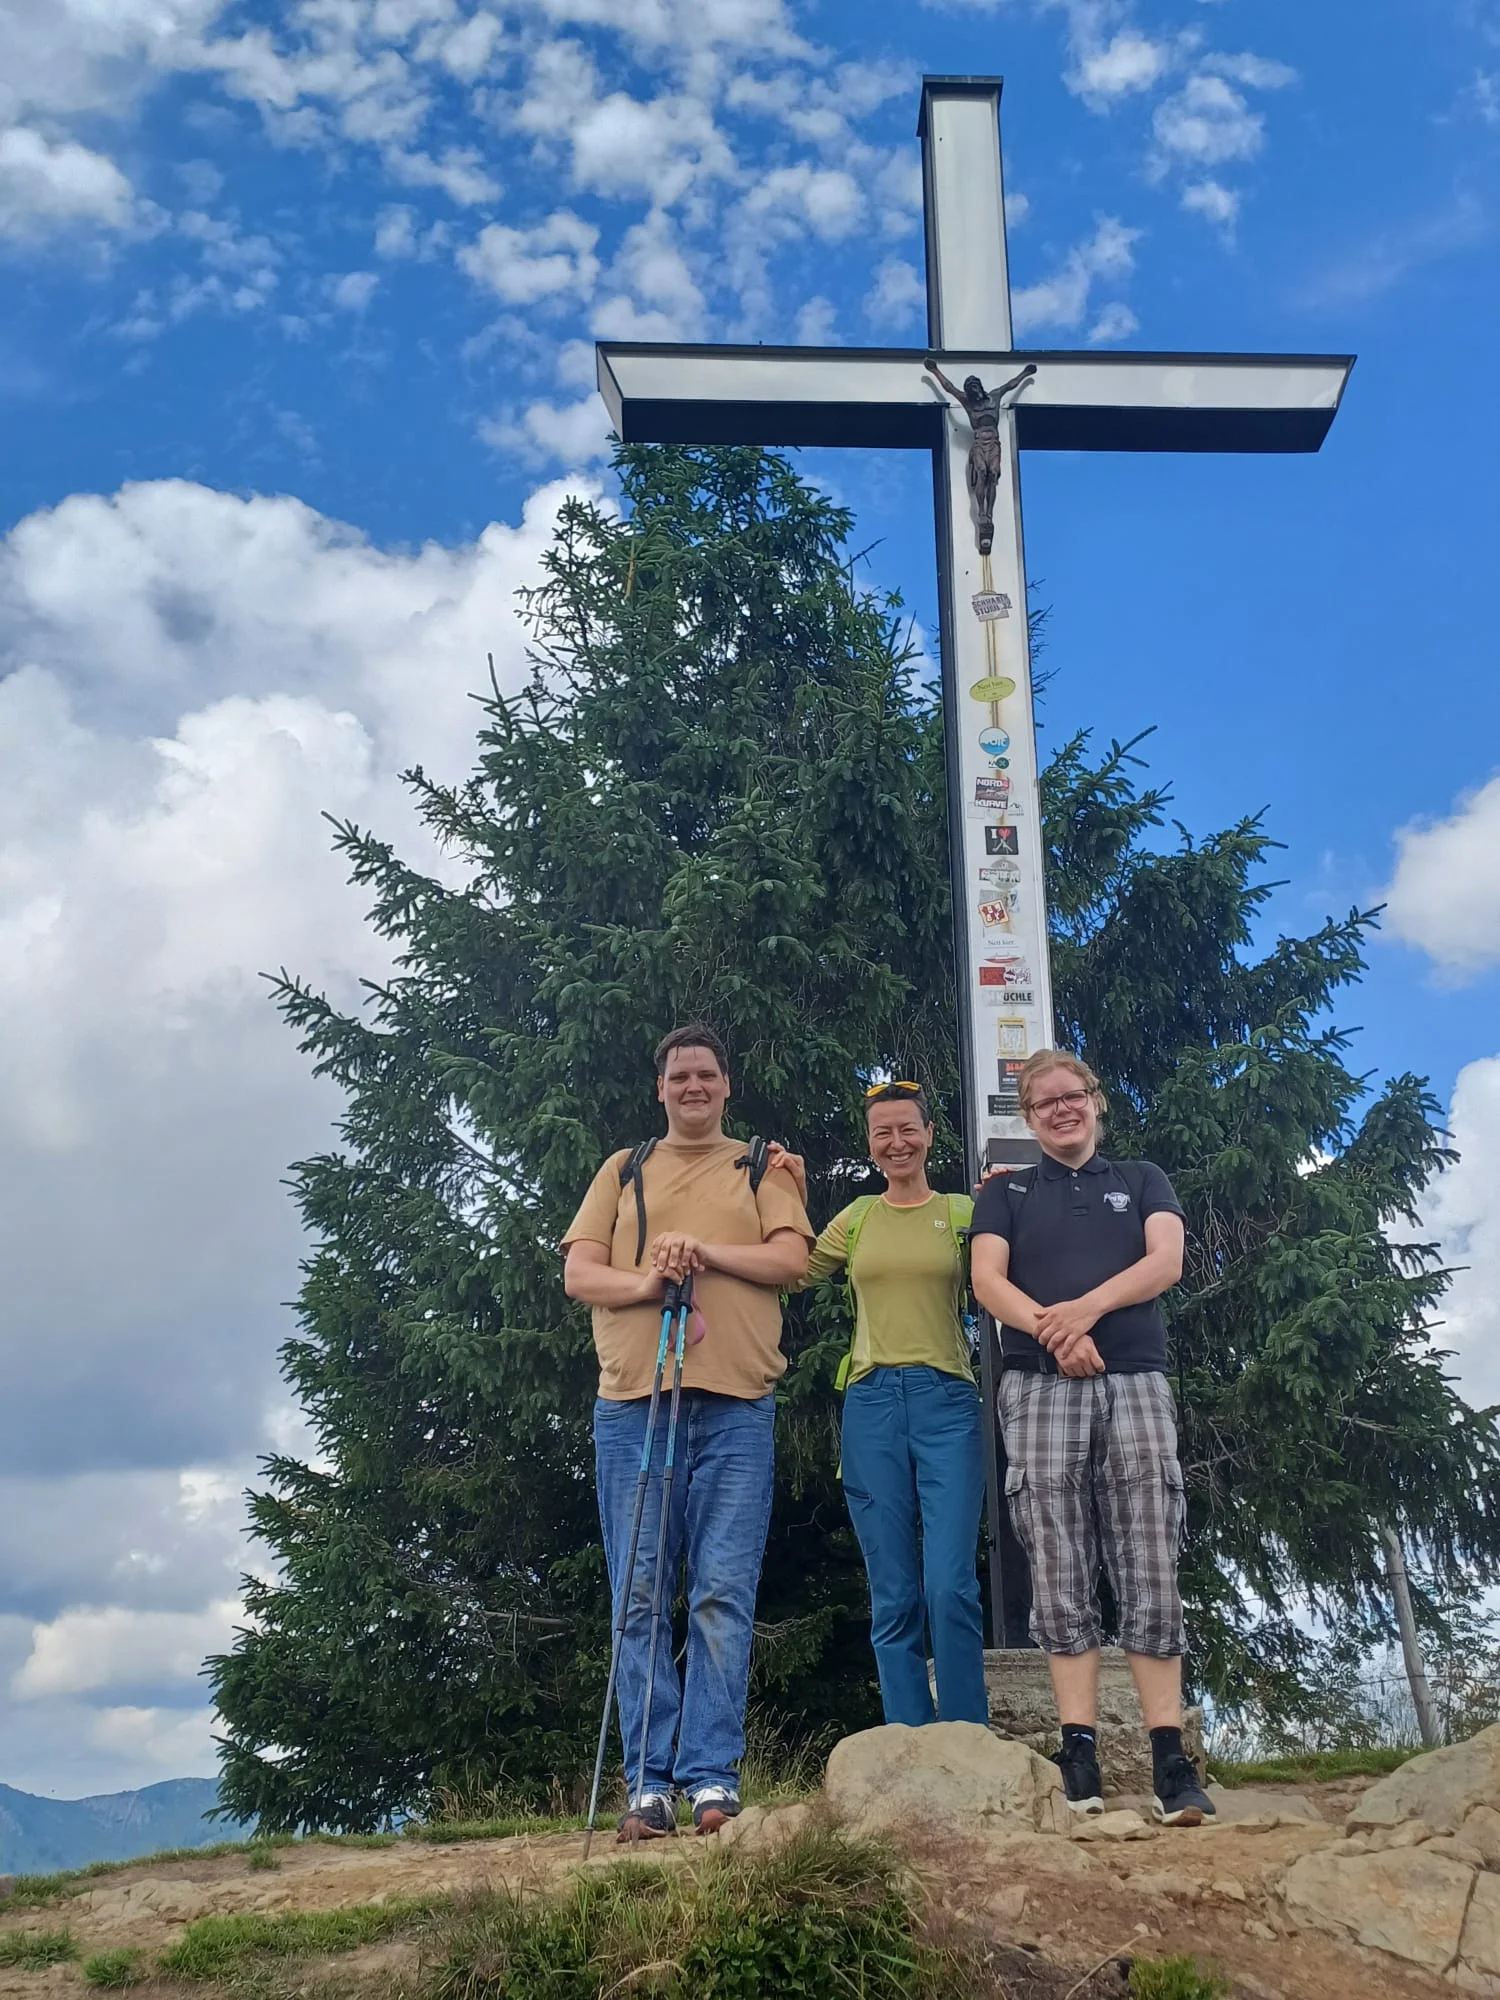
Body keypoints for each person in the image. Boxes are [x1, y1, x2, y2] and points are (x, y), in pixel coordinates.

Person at [561, 1023, 812, 1840]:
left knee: (719, 1595)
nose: (694, 1087)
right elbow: (578, 1273)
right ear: (660, 1088)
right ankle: (648, 1785)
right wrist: (650, 1280)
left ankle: (710, 1778)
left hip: (736, 1400)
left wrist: (701, 1249)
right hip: (635, 1400)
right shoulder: (622, 1169)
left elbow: (790, 1262)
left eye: (707, 1074)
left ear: (727, 1086)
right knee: (639, 1597)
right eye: (680, 1076)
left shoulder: (761, 1165)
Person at [968, 1049, 1215, 1827]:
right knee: (1057, 1554)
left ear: (1096, 1101)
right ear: (1028, 1117)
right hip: (1037, 1386)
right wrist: (1054, 1329)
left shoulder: (1143, 1178)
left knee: (1149, 1549)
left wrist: (1082, 1312)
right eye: (1044, 1103)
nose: (1061, 1109)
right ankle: (1079, 1755)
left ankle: (1169, 1757)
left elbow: (1166, 1261)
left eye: (1072, 1096)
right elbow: (986, 1283)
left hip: (1136, 1378)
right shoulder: (1003, 1194)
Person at [791, 1081, 987, 1728]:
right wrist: (785, 1190)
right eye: (883, 1133)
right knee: (894, 1591)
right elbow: (790, 1269)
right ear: (870, 1145)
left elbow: (1013, 1262)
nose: (897, 1142)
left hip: (948, 1400)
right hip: (871, 1401)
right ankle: (908, 1739)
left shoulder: (963, 1212)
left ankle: (965, 1734)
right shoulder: (856, 1219)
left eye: (908, 1129)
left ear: (930, 1135)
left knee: (949, 1584)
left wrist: (1014, 1197)